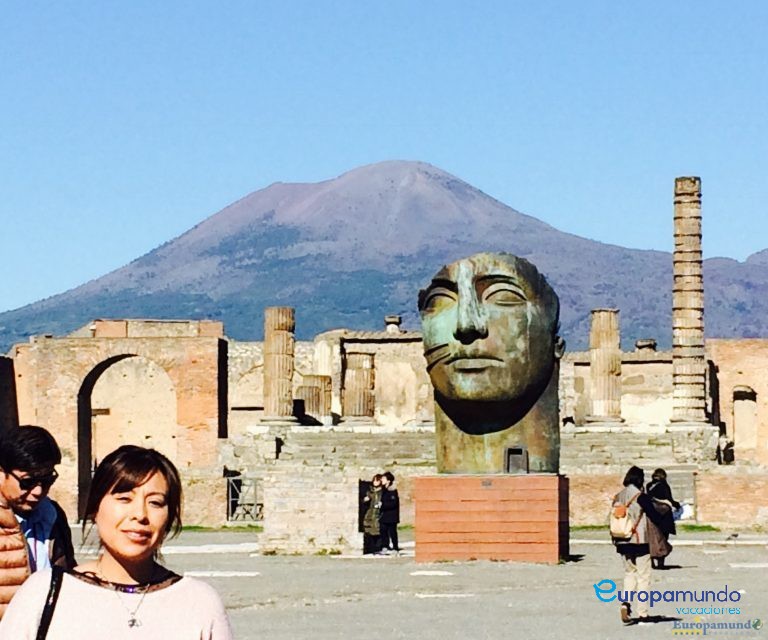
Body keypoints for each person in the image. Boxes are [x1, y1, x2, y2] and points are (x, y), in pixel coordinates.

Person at [0, 445, 233, 639]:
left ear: (170, 517)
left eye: (155, 503)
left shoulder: (200, 603)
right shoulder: (42, 593)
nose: (140, 514)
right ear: (94, 508)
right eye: (124, 498)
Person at [0, 425, 75, 620]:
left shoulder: (53, 515)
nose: (38, 491)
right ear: (1, 472)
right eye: (28, 482)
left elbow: (68, 574)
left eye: (47, 481)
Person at [612, 465, 666, 625]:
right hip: (639, 540)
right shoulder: (640, 497)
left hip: (622, 540)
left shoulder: (618, 496)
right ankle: (642, 613)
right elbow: (655, 515)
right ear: (640, 480)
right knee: (644, 577)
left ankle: (625, 603)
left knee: (629, 573)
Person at [646, 468, 680, 569]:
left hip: (652, 513)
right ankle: (661, 562)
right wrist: (677, 505)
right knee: (663, 538)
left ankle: (652, 561)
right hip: (664, 514)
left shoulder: (649, 485)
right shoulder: (664, 485)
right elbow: (669, 499)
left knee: (652, 539)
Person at [379, 471, 400, 554]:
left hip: (391, 516)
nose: (381, 480)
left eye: (383, 478)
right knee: (383, 531)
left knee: (392, 532)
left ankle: (395, 547)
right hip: (383, 515)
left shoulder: (392, 490)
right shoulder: (383, 490)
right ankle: (385, 546)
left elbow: (393, 503)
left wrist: (382, 505)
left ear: (388, 480)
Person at [361, 474, 383, 555]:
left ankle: (378, 547)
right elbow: (364, 501)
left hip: (378, 514)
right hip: (370, 514)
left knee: (378, 531)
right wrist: (365, 500)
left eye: (377, 480)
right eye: (374, 480)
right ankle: (371, 548)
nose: (375, 482)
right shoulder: (370, 492)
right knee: (369, 531)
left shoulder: (382, 492)